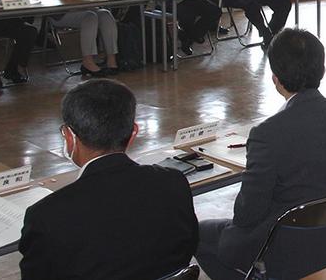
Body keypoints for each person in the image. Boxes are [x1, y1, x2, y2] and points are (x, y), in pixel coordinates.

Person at [196, 28, 326, 280]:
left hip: (285, 248)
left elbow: (247, 214)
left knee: (198, 234)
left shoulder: (268, 134)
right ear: (322, 70)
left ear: (275, 79)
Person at [18, 79, 198, 279]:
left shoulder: (46, 216)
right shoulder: (173, 182)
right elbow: (188, 246)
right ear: (133, 133)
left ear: (69, 137)